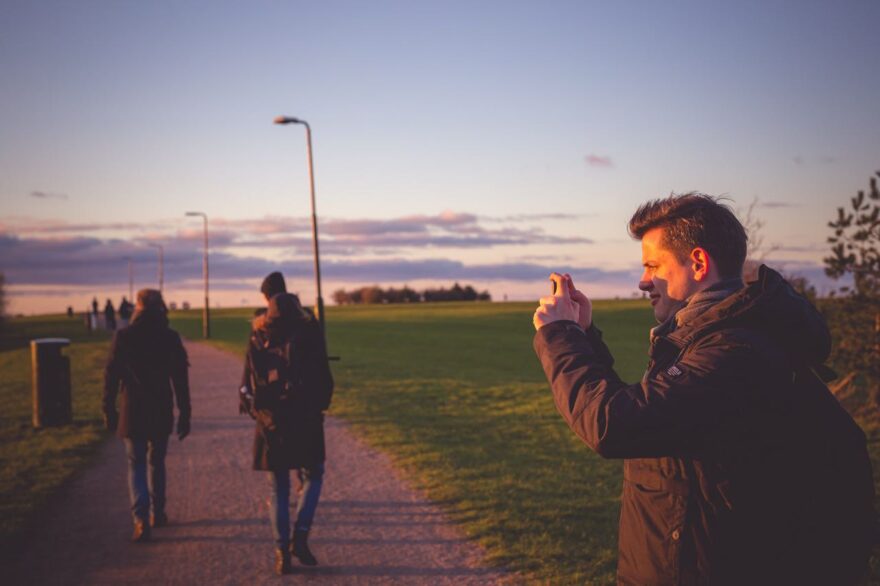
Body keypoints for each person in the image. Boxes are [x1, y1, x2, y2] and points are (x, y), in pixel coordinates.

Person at [532, 193, 875, 585]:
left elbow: (613, 424)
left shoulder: (733, 352)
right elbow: (648, 411)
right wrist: (584, 335)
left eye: (653, 265)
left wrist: (560, 334)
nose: (644, 281)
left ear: (697, 263)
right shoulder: (708, 337)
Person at [240, 290, 333, 575]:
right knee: (314, 474)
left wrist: (258, 412)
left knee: (278, 487)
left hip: (270, 421)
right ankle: (300, 536)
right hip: (305, 417)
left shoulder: (258, 336)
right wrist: (319, 407)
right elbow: (325, 380)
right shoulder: (309, 333)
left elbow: (248, 383)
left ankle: (282, 553)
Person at [103, 289, 191, 542]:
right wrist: (185, 413)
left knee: (136, 463)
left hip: (133, 409)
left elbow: (111, 376)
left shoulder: (124, 336)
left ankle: (140, 519)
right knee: (157, 461)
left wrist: (108, 408)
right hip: (160, 407)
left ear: (138, 306)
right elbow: (180, 380)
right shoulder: (169, 337)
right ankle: (158, 512)